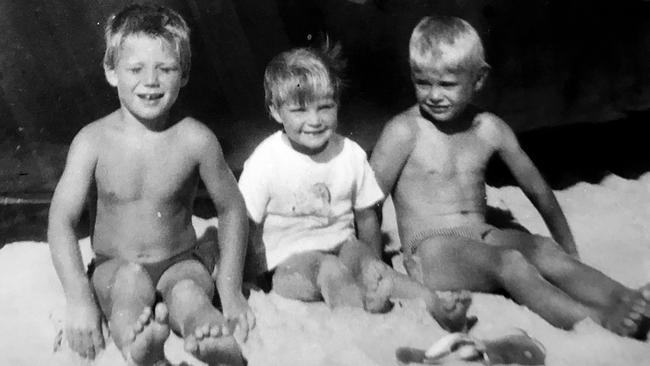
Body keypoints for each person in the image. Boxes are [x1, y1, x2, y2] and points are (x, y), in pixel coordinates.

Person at [370, 15, 650, 339]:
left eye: (447, 84)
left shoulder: (489, 128)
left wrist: (569, 251)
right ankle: (597, 319)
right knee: (510, 263)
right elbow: (368, 204)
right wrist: (376, 265)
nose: (434, 94)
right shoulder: (404, 131)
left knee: (544, 251)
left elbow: (539, 190)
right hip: (430, 250)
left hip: (482, 233)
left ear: (478, 79)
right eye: (423, 82)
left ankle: (624, 297)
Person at [48, 4, 254, 365]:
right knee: (127, 294)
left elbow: (233, 208)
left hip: (181, 261)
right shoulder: (92, 141)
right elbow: (61, 220)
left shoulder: (195, 139)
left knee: (191, 294)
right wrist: (79, 299)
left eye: (166, 68)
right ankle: (143, 345)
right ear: (111, 72)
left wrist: (231, 289)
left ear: (184, 74)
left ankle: (207, 332)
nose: (151, 81)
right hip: (116, 264)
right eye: (136, 69)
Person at [238, 45, 472, 332]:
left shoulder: (349, 153)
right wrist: (251, 275)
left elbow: (366, 217)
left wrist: (372, 261)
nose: (314, 120)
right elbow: (247, 223)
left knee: (366, 263)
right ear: (276, 111)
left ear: (337, 103)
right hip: (290, 264)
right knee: (329, 269)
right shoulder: (266, 160)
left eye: (325, 107)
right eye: (299, 110)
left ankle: (435, 303)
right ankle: (362, 317)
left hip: (342, 244)